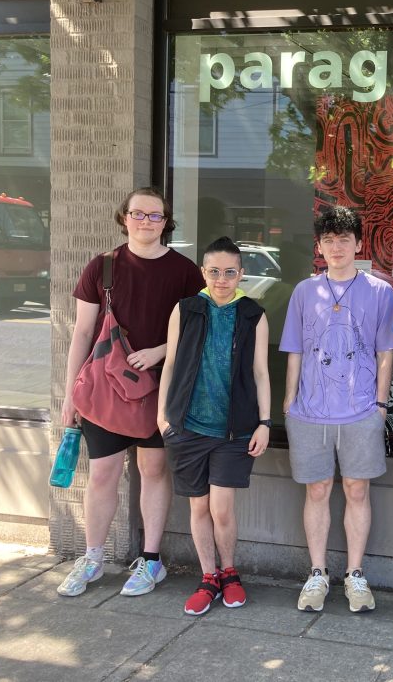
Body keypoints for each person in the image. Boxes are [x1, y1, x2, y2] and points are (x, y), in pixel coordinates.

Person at [58, 188, 204, 597]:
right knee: (103, 474)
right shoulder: (102, 267)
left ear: (165, 222)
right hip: (105, 391)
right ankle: (92, 558)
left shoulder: (185, 272)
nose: (145, 221)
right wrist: (71, 394)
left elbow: (195, 331)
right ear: (124, 217)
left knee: (154, 471)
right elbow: (83, 333)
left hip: (162, 389)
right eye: (138, 214)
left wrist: (159, 350)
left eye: (154, 216)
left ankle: (152, 560)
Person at [280, 206, 393, 613]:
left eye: (344, 239)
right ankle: (317, 574)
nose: (336, 247)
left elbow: (386, 352)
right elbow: (295, 349)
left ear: (358, 244)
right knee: (317, 489)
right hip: (310, 410)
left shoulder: (380, 291)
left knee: (357, 489)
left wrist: (381, 405)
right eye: (329, 240)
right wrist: (289, 401)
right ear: (319, 246)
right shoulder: (304, 291)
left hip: (361, 408)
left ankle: (354, 574)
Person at [157, 237, 271, 615]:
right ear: (204, 272)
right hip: (187, 426)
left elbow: (260, 372)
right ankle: (208, 577)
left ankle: (230, 573)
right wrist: (163, 416)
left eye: (230, 272)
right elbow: (171, 364)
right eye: (214, 271)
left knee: (221, 508)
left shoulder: (253, 313)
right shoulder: (186, 309)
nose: (222, 279)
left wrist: (265, 423)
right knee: (199, 506)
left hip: (234, 431)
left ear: (241, 273)